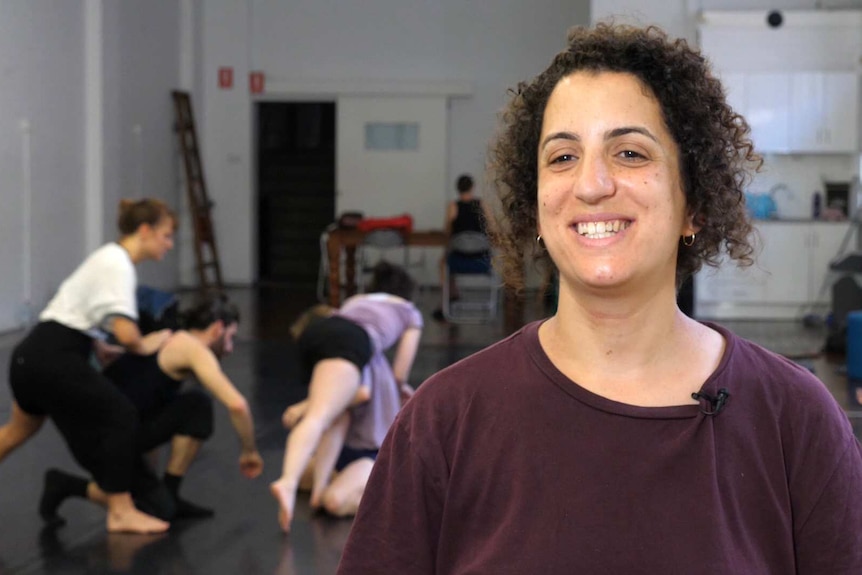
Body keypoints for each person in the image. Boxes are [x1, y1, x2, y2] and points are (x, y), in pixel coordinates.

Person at [337, 23, 862, 573]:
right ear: (536, 207)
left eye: (630, 153)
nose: (591, 184)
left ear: (694, 204)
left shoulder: (797, 421)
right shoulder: (444, 420)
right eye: (562, 157)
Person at [0, 198, 176, 534]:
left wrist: (96, 345)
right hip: (52, 358)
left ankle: (120, 507)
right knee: (120, 415)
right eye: (166, 236)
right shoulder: (119, 264)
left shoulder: (106, 257)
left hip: (30, 357)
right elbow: (127, 333)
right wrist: (145, 343)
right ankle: (121, 511)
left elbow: (70, 306)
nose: (168, 244)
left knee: (16, 431)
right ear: (144, 230)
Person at [39, 296, 264, 523]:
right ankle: (63, 484)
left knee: (197, 405)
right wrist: (249, 451)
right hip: (100, 439)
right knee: (158, 510)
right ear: (217, 329)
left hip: (114, 430)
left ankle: (170, 493)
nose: (230, 348)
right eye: (230, 338)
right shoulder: (190, 348)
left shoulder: (168, 337)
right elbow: (237, 405)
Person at [270, 262, 423, 533]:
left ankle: (315, 485)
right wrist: (401, 385)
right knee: (326, 418)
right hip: (348, 441)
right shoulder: (399, 320)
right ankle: (295, 483)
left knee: (334, 500)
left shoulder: (354, 309)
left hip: (367, 450)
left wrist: (306, 405)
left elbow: (359, 392)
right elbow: (399, 373)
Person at [432, 174, 493, 321]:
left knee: (443, 262)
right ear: (472, 187)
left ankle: (446, 301)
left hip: (459, 258)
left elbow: (447, 230)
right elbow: (491, 226)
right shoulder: (481, 205)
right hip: (481, 260)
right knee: (446, 259)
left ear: (457, 188)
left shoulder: (453, 206)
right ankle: (454, 294)